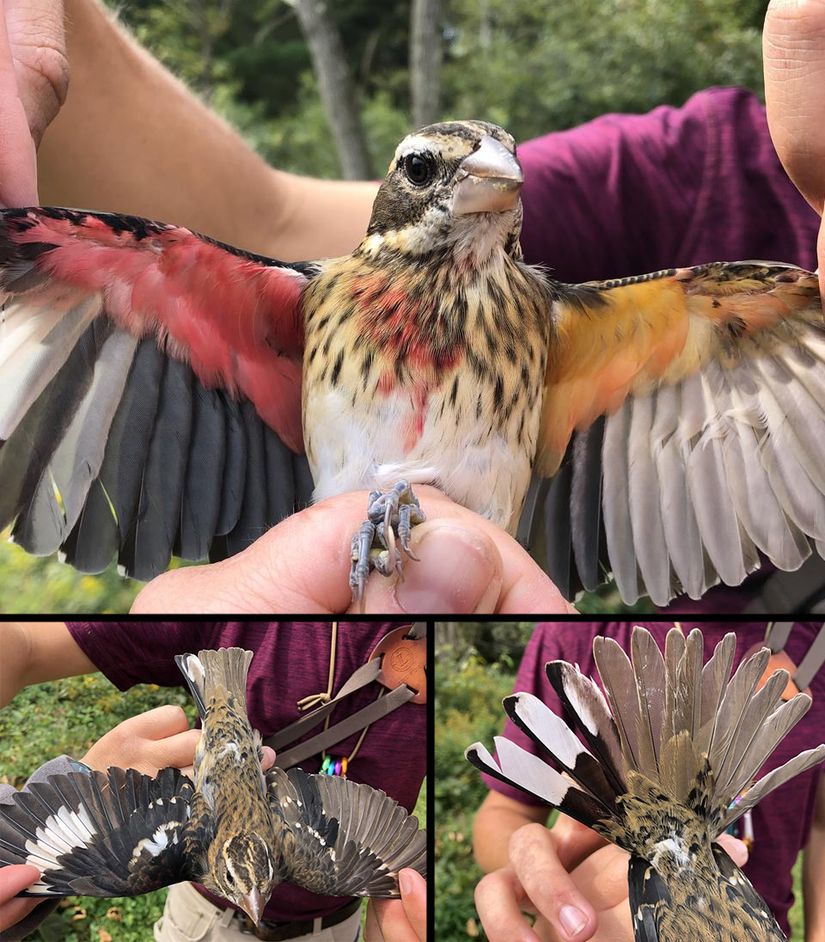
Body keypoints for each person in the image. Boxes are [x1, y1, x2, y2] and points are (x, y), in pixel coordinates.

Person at [2, 0, 825, 614]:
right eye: (432, 172)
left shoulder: (593, 323)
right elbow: (260, 222)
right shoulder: (299, 302)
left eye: (497, 172)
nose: (482, 181)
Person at [0, 621, 428, 941]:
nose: (255, 902)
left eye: (249, 888)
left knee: (114, 870)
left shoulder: (169, 854)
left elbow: (74, 850)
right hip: (204, 922)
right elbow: (31, 642)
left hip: (331, 925)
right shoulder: (241, 609)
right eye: (251, 886)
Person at [472, 622, 825, 942]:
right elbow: (505, 810)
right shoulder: (571, 632)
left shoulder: (816, 640)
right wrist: (541, 875)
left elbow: (823, 824)